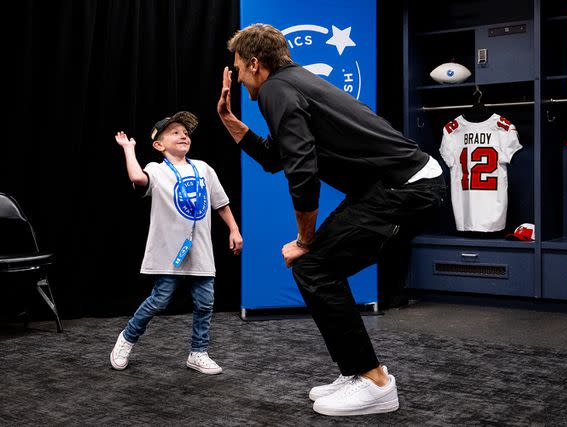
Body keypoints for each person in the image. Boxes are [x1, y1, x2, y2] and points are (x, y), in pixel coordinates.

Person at [217, 24, 445, 416]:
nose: (237, 77)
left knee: (314, 267)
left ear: (255, 64)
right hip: (391, 188)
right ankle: (356, 372)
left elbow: (302, 174)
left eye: (238, 68)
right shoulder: (291, 84)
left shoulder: (276, 90)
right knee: (315, 269)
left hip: (405, 190)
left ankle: (375, 383)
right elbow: (276, 157)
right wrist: (227, 118)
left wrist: (304, 241)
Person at [110, 111, 243, 375]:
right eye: (174, 132)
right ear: (159, 145)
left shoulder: (203, 168)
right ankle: (127, 338)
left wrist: (234, 229)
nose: (183, 135)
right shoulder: (156, 170)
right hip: (170, 251)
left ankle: (198, 352)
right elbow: (137, 178)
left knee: (205, 303)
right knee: (159, 300)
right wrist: (128, 149)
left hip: (200, 250)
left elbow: (220, 202)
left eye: (185, 132)